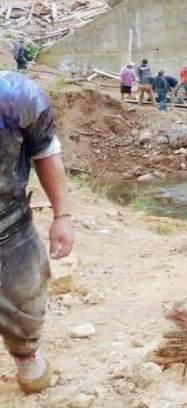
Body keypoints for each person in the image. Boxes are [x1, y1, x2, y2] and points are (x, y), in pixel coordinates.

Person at [0, 71, 74, 394]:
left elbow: (44, 151)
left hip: (8, 225)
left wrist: (62, 215)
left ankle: (26, 356)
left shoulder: (17, 97)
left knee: (25, 305)